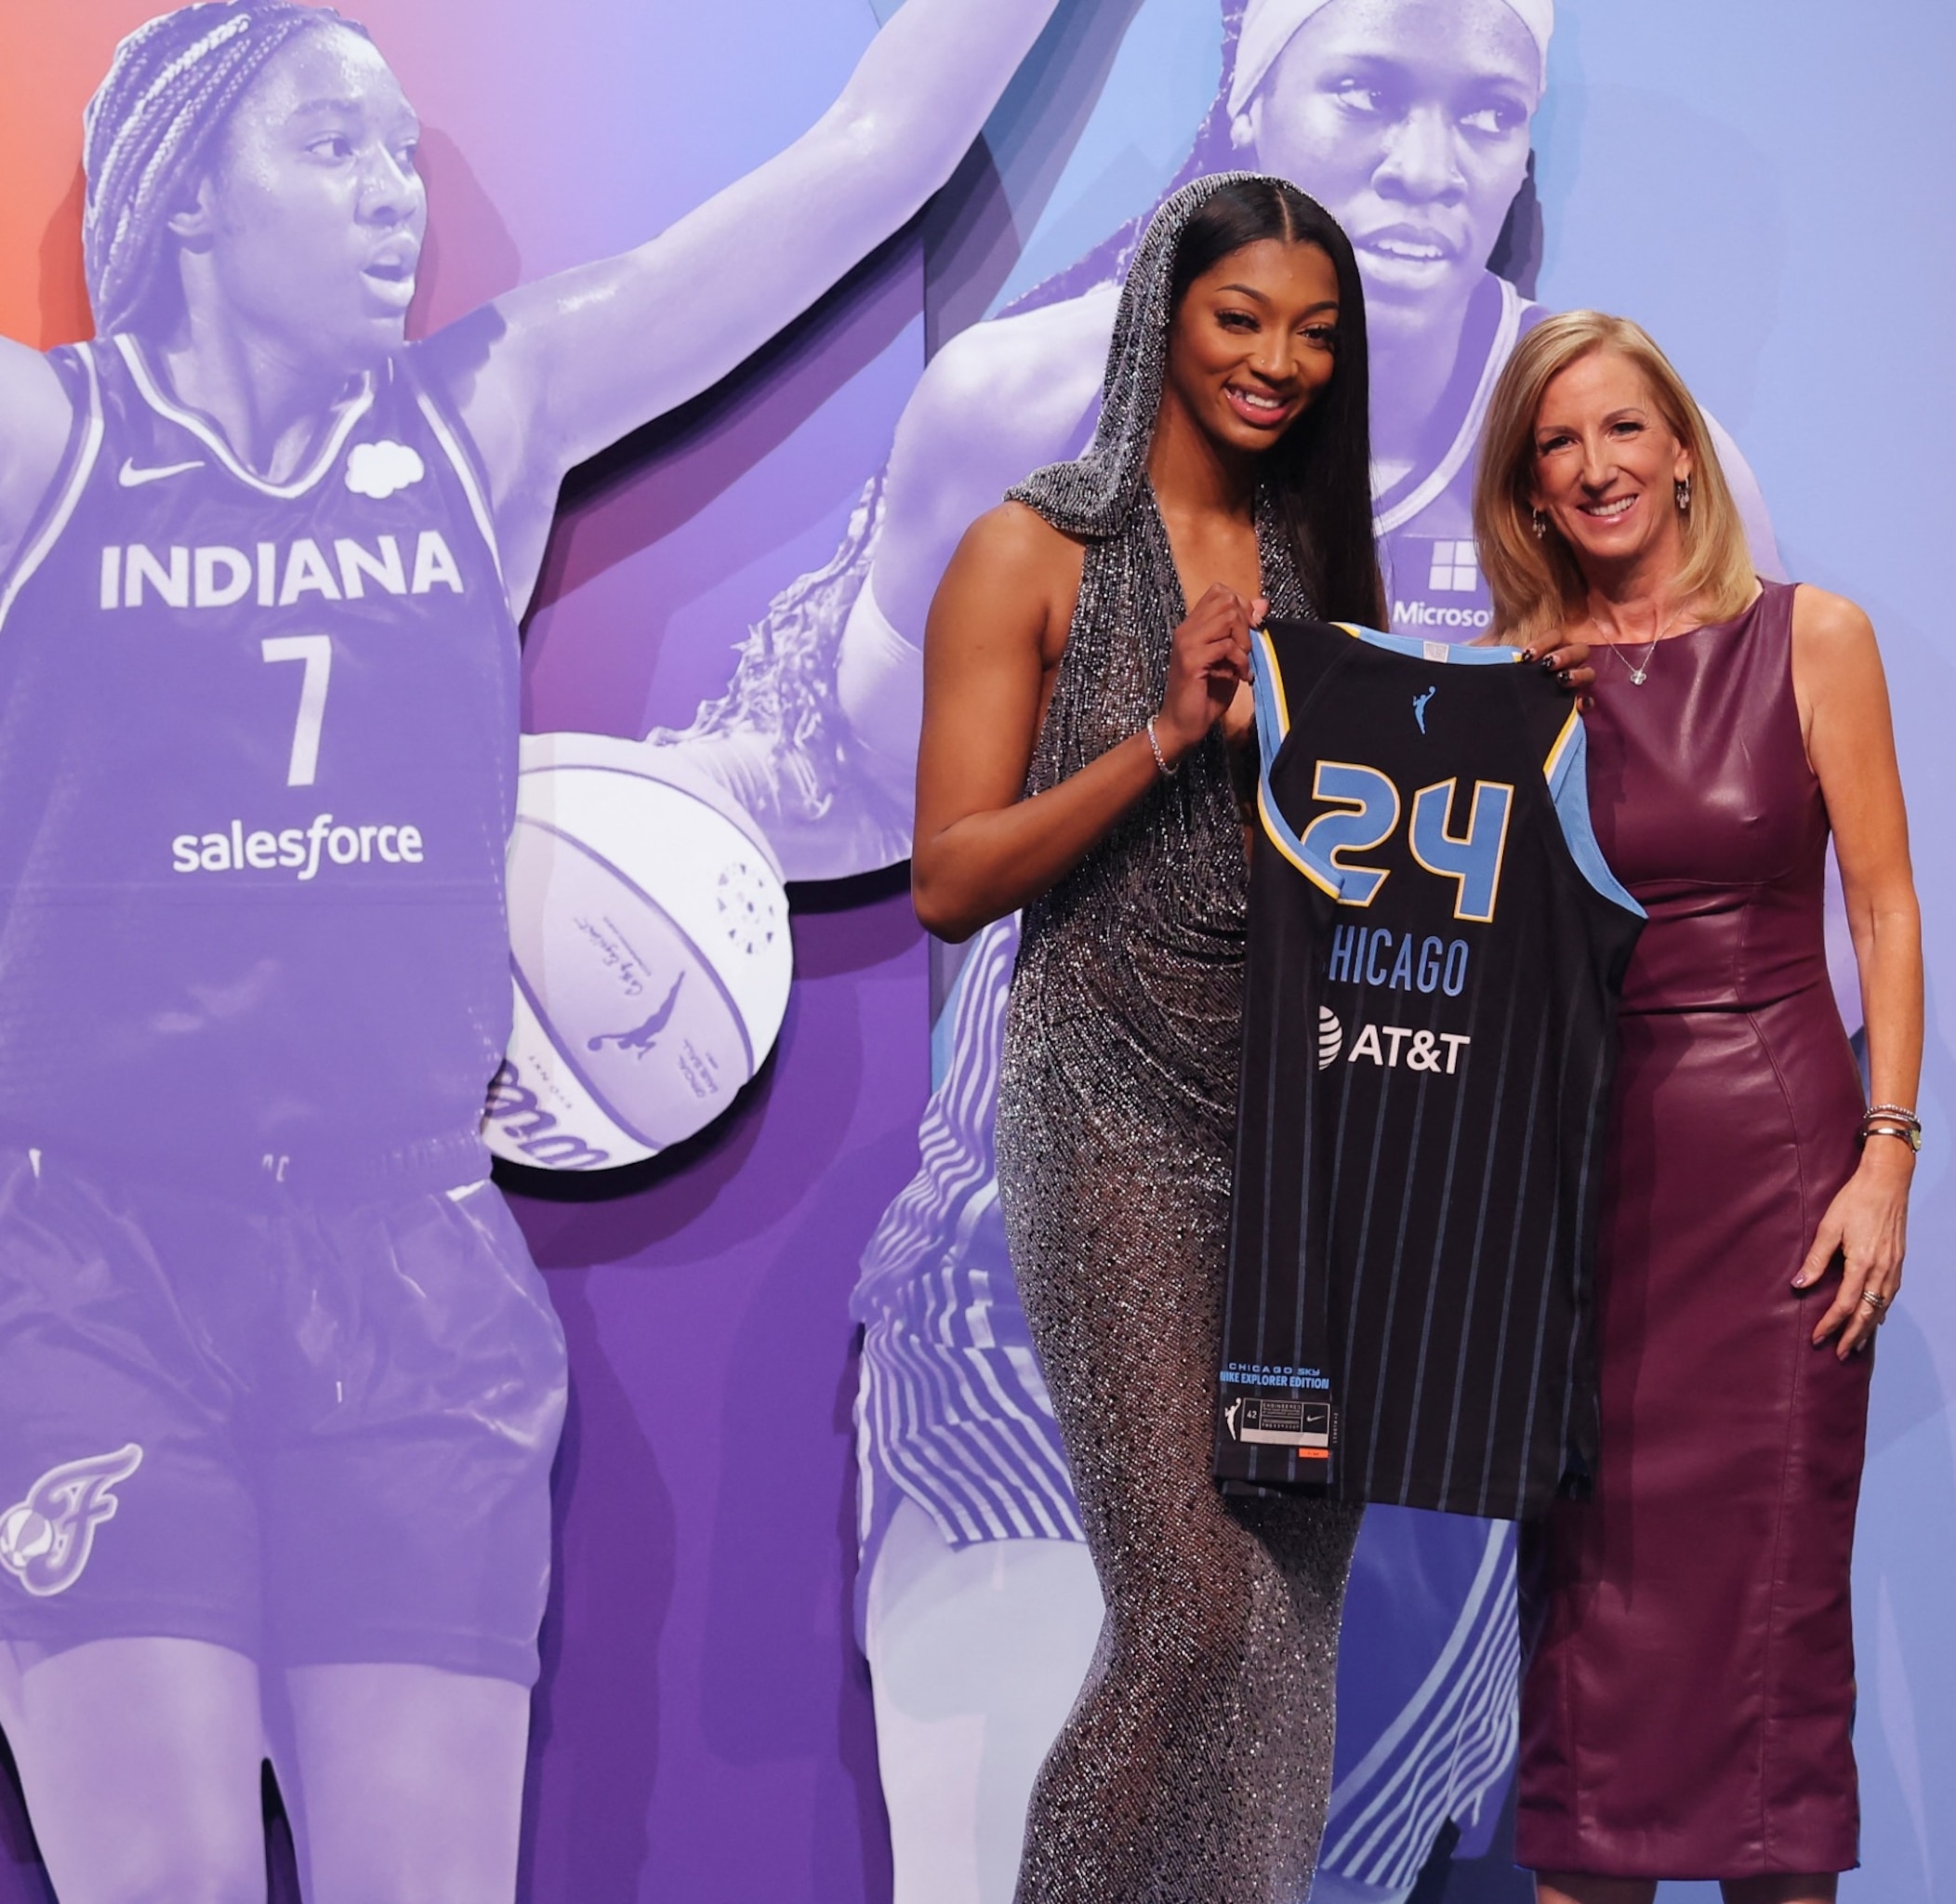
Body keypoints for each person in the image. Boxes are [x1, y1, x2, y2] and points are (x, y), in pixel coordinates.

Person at [666, 3, 1772, 1896]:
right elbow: (878, 788)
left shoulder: (1614, 468)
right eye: (1370, 91)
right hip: (1054, 1268)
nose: (1429, 157)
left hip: (1414, 1344)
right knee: (1014, 1839)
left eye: (1484, 109)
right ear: (1249, 99)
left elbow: (1707, 901)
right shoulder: (1028, 413)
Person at [0, 1, 1057, 1898]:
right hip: (88, 1263)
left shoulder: (487, 412)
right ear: (185, 193)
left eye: (403, 151)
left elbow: (872, 157)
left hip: (408, 1258)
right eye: (329, 148)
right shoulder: (46, 437)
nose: (394, 193)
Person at [907, 170, 1383, 1904]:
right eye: (1242, 318)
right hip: (1105, 1098)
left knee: (1291, 1614)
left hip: (1306, 1133)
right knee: (1188, 1603)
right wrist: (1167, 735)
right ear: (1161, 318)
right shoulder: (1032, 547)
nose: (1279, 362)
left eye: (1318, 334)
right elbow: (951, 881)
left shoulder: (1324, 567)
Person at [1479, 312, 1923, 1904]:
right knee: (1588, 1633)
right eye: (1557, 444)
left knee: (1773, 1629)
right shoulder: (1512, 695)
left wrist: (1887, 1158)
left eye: (1621, 430)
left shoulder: (1816, 638)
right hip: (1589, 1195)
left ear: (1681, 452)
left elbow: (1882, 912)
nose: (1594, 466)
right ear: (1528, 493)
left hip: (1782, 1169)